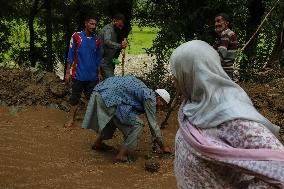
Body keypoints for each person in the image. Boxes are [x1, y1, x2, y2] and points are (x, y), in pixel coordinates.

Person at [170, 40, 284, 188]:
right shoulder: (192, 107)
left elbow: (279, 167)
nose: (174, 80)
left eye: (176, 74)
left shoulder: (231, 116)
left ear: (190, 74)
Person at [81, 75, 172, 163]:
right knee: (137, 125)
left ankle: (98, 143)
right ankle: (121, 155)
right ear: (159, 98)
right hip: (109, 96)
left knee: (115, 118)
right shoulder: (150, 98)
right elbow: (153, 124)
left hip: (101, 90)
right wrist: (163, 147)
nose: (162, 107)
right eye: (163, 104)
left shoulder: (144, 90)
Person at [64, 16, 102, 128]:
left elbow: (98, 58)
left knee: (92, 98)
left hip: (92, 76)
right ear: (86, 23)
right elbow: (70, 54)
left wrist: (99, 73)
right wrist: (67, 72)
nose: (93, 26)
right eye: (91, 23)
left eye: (95, 24)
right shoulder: (76, 36)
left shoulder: (97, 40)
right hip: (78, 74)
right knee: (75, 98)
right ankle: (71, 120)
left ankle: (92, 121)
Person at [99, 13, 127, 78]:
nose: (120, 28)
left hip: (108, 62)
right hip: (104, 63)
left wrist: (116, 61)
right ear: (114, 21)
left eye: (122, 26)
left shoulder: (113, 29)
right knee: (111, 81)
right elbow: (107, 42)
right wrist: (120, 46)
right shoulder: (108, 29)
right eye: (119, 25)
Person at [214, 13, 238, 79]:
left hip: (223, 71)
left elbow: (221, 54)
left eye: (218, 21)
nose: (216, 24)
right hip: (226, 70)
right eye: (215, 22)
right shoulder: (227, 34)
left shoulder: (226, 35)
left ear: (226, 23)